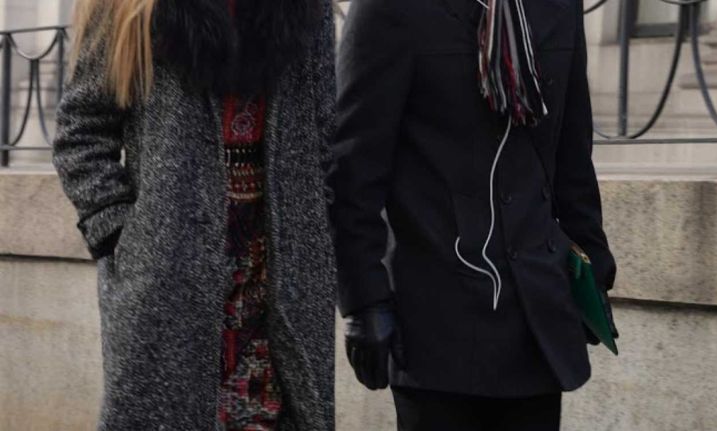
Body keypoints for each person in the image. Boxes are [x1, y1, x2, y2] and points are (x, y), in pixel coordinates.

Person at [331, 0, 617, 430]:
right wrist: (364, 299)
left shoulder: (558, 7)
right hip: (434, 324)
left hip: (535, 318)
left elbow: (572, 154)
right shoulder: (388, 9)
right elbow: (352, 170)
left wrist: (595, 269)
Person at [53, 0, 336, 429]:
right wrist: (122, 235)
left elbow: (327, 128)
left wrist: (322, 233)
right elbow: (81, 130)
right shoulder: (131, 6)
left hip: (283, 262)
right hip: (169, 265)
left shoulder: (306, 9)